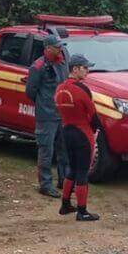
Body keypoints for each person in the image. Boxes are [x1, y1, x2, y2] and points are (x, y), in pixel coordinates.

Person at [54, 54, 100, 221]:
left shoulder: (60, 88)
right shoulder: (82, 89)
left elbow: (59, 108)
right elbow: (93, 115)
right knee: (82, 171)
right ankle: (82, 211)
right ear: (75, 69)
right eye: (85, 68)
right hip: (82, 132)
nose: (88, 71)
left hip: (66, 130)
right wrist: (94, 130)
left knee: (72, 169)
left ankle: (65, 204)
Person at [25, 34, 69, 198]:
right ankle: (45, 184)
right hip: (47, 115)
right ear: (47, 48)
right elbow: (30, 91)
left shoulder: (62, 62)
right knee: (46, 150)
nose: (60, 49)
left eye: (60, 46)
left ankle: (63, 179)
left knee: (63, 149)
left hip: (62, 113)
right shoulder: (38, 66)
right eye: (57, 47)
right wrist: (44, 103)